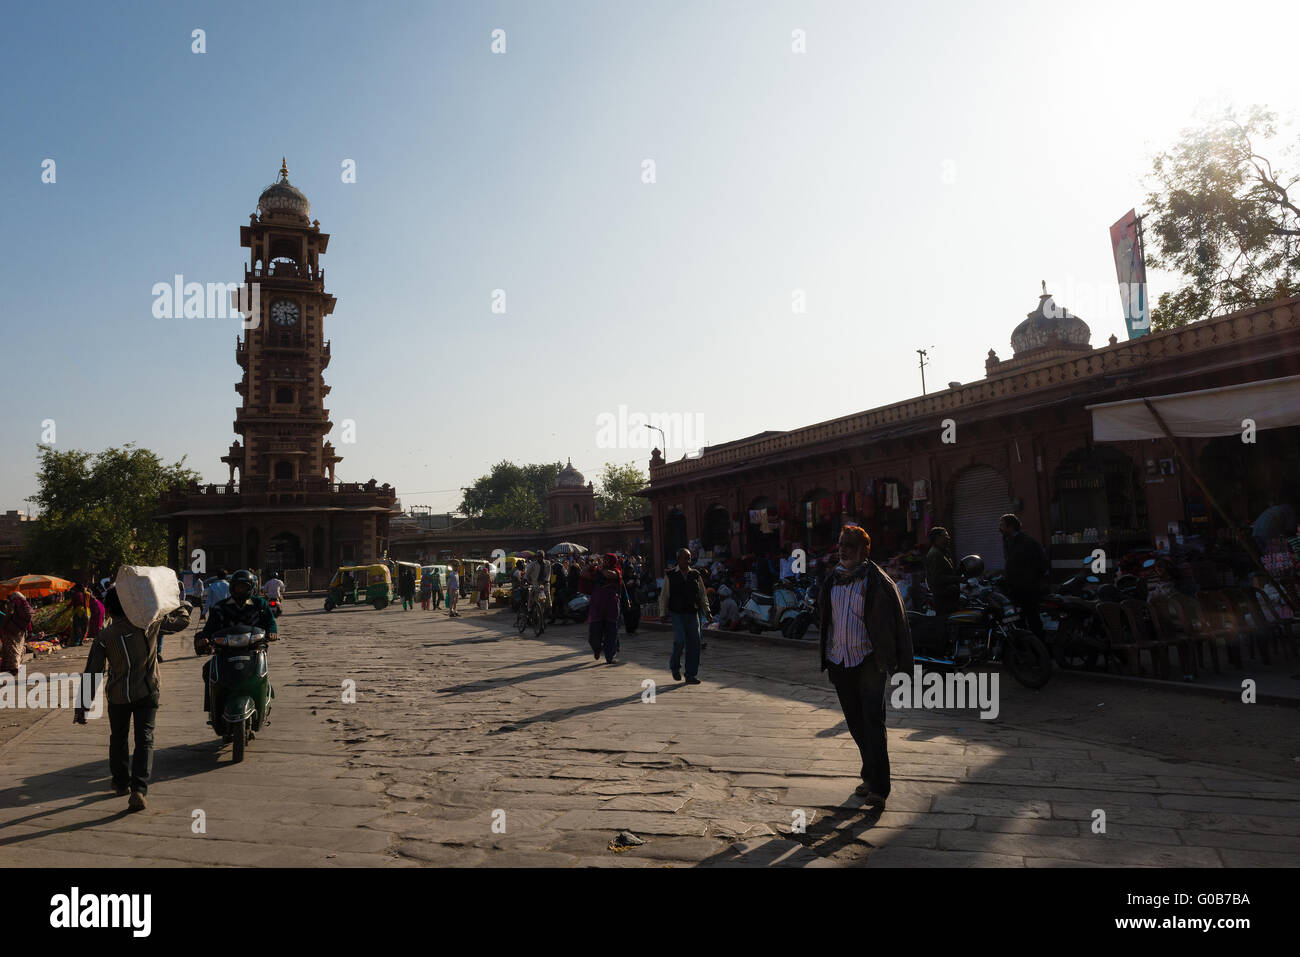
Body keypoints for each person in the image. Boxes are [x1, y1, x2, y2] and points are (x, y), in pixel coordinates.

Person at [816, 525, 912, 807]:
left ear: (864, 550)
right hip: (839, 659)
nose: (843, 549)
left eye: (849, 544)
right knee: (856, 723)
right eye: (841, 543)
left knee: (873, 721)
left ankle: (880, 788)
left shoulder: (880, 582)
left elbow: (900, 624)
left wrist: (903, 663)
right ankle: (869, 775)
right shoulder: (832, 579)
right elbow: (825, 617)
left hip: (870, 659)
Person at [76, 587, 192, 811]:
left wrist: (82, 706)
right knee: (144, 739)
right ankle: (139, 789)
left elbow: (93, 672)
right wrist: (183, 605)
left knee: (118, 738)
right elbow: (180, 622)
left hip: (118, 696)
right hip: (147, 691)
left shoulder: (104, 636)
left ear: (108, 609)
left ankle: (121, 783)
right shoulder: (149, 623)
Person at [193, 569, 276, 722]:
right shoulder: (220, 607)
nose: (240, 590)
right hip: (226, 651)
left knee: (261, 673)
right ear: (232, 587)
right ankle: (213, 707)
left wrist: (272, 632)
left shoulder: (260, 604)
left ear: (251, 588)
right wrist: (204, 638)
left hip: (253, 650)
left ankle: (263, 700)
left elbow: (270, 622)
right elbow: (209, 629)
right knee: (208, 670)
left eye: (244, 587)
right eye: (238, 587)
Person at [659, 548, 710, 684]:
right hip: (677, 613)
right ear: (678, 559)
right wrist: (662, 613)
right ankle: (675, 666)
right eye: (683, 558)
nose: (686, 561)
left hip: (693, 613)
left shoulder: (695, 575)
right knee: (680, 640)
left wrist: (707, 611)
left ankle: (691, 674)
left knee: (695, 644)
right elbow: (664, 596)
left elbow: (702, 595)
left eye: (688, 558)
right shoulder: (670, 575)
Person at [999, 513, 1047, 641]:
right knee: (1016, 617)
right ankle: (1025, 645)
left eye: (1002, 525)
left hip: (1027, 589)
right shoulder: (1009, 541)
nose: (1000, 528)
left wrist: (1029, 581)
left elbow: (1039, 564)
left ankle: (1040, 647)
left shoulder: (1026, 542)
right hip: (1015, 588)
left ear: (1011, 526)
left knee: (1032, 618)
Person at [587, 553, 624, 664]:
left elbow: (609, 575)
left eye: (607, 560)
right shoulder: (597, 570)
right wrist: (589, 567)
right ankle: (597, 649)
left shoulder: (616, 571)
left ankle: (609, 656)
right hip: (597, 605)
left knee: (611, 632)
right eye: (604, 560)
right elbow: (584, 574)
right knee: (594, 633)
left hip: (611, 605)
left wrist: (599, 568)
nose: (605, 562)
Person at [924, 526, 961, 617]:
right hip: (943, 597)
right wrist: (957, 579)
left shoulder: (942, 552)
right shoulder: (935, 554)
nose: (948, 537)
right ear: (937, 538)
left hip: (949, 596)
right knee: (945, 622)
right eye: (945, 535)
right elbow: (937, 578)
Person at [1, 592, 34, 677]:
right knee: (18, 647)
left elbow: (8, 615)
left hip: (12, 629)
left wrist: (3, 625)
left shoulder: (13, 603)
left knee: (12, 647)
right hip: (21, 629)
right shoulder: (24, 604)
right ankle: (16, 665)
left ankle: (13, 667)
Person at [526, 554, 550, 627]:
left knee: (548, 603)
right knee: (532, 599)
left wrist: (546, 580)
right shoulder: (533, 564)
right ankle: (530, 612)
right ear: (537, 557)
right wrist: (525, 579)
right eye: (539, 557)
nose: (540, 558)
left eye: (541, 557)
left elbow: (548, 574)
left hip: (545, 585)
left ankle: (543, 619)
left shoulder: (548, 563)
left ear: (543, 557)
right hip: (535, 584)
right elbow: (527, 573)